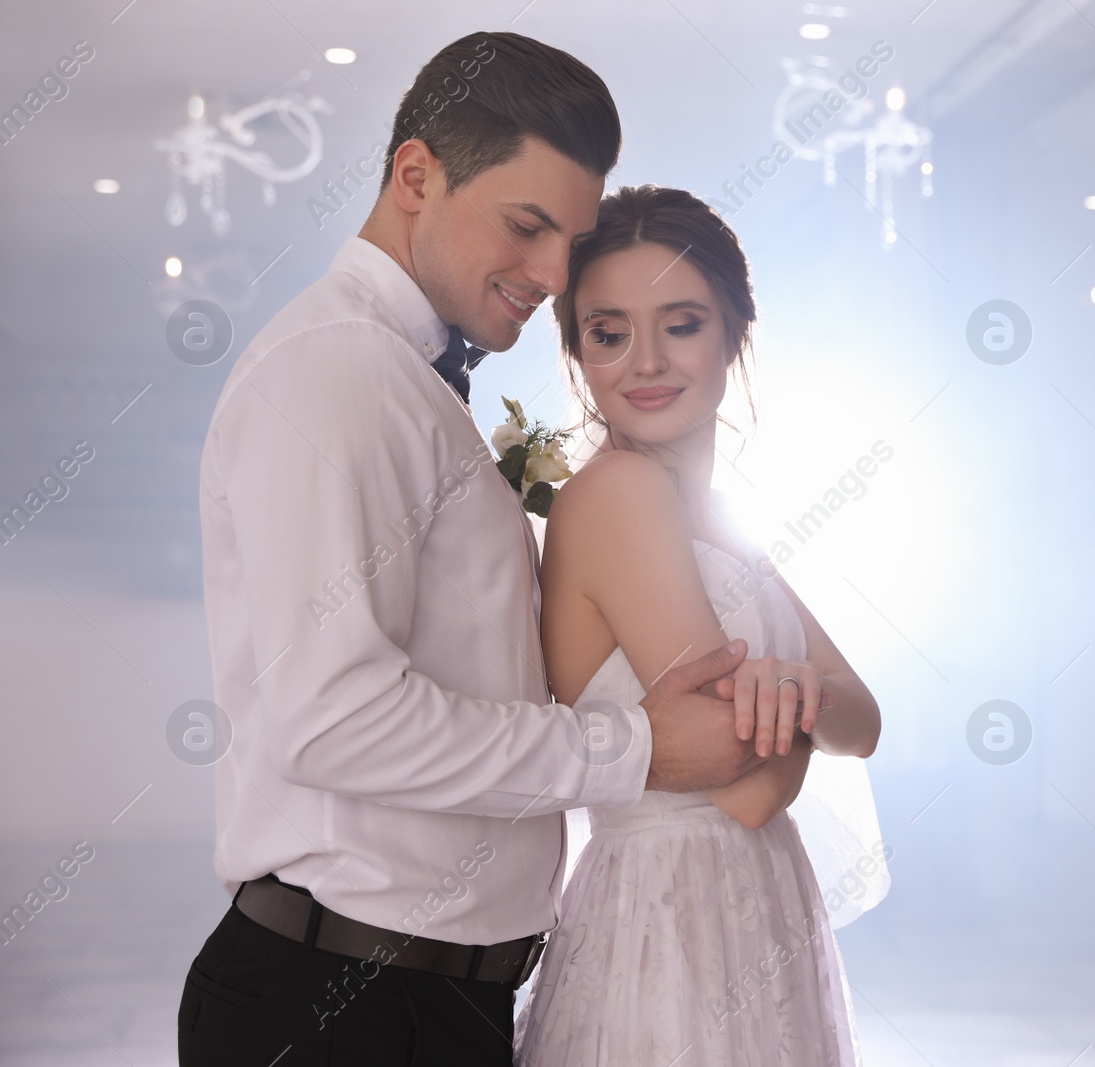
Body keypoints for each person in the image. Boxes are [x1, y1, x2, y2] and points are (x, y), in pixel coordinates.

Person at [179, 33, 767, 1065]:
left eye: (568, 240)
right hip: (343, 1006)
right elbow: (336, 720)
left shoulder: (406, 377)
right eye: (527, 226)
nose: (552, 275)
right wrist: (635, 749)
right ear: (417, 175)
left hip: (424, 997)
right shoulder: (339, 374)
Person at [512, 185, 883, 1066]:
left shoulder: (715, 513)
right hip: (671, 917)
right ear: (577, 351)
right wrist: (803, 696)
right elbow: (747, 789)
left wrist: (792, 693)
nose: (645, 362)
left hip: (747, 911)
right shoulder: (617, 494)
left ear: (733, 333)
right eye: (609, 332)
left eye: (680, 323)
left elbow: (862, 719)